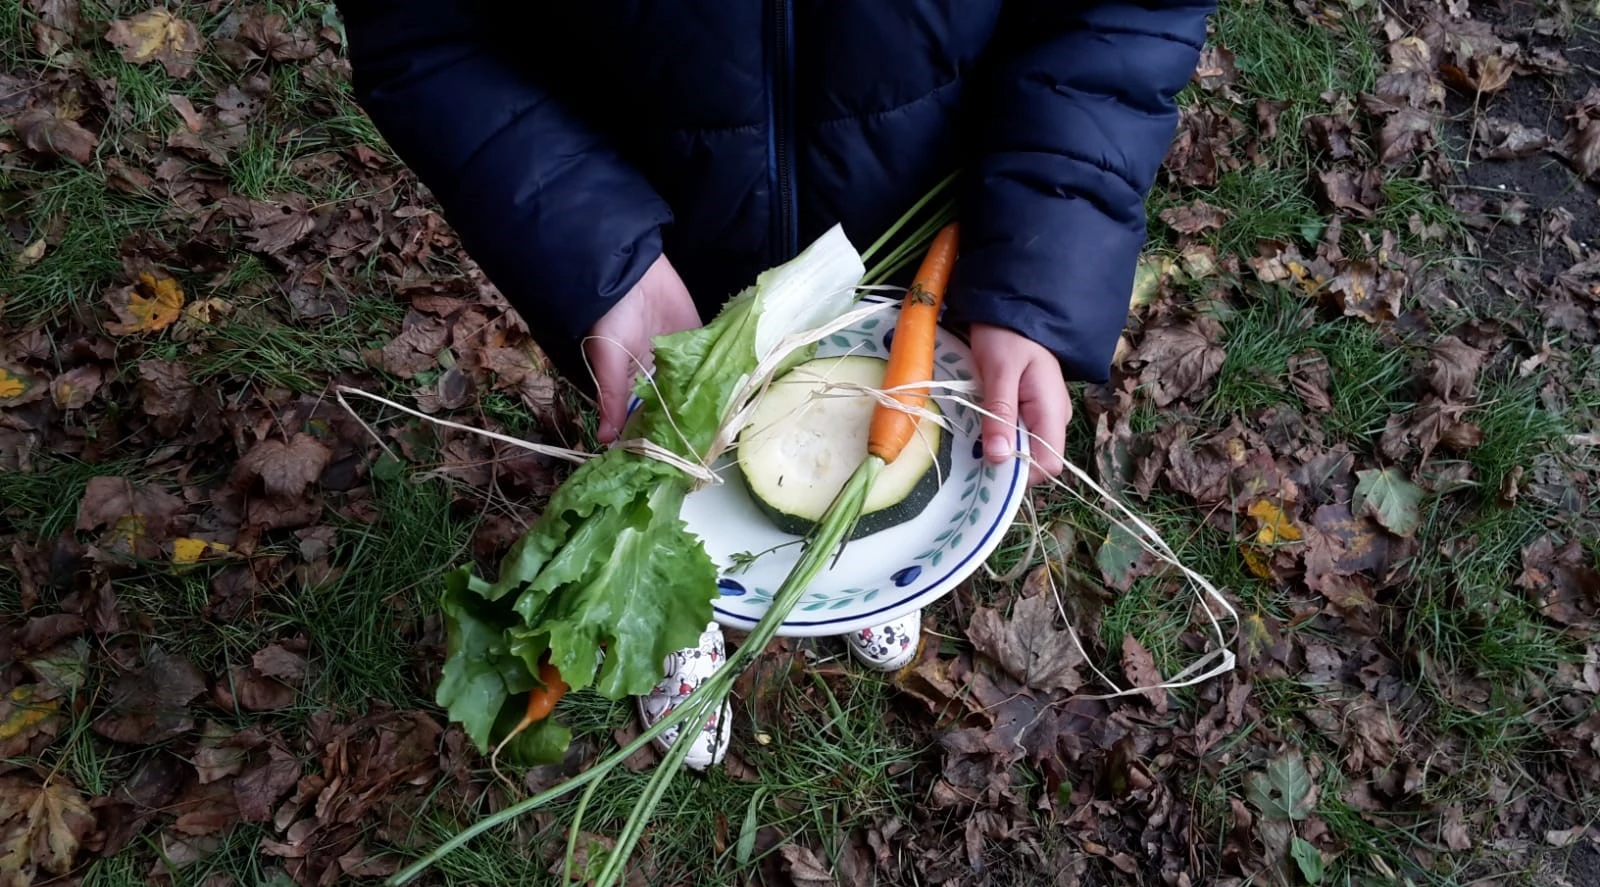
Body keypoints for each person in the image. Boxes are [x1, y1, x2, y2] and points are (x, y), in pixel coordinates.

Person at [336, 0, 1215, 769]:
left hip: (903, 224)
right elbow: (424, 27)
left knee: (870, 429)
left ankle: (859, 567)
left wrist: (1038, 260)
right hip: (647, 234)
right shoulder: (617, 252)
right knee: (667, 455)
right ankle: (677, 609)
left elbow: (1118, 20)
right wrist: (595, 254)